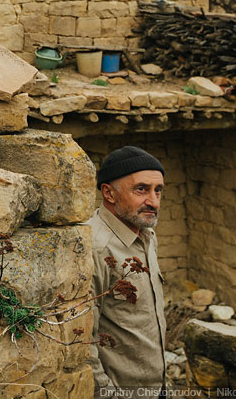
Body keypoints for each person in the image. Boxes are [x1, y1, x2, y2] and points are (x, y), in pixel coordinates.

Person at [87, 146, 167, 396]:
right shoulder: (95, 248)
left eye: (158, 190)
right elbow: (83, 343)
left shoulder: (147, 235)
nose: (153, 201)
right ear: (109, 193)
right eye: (141, 189)